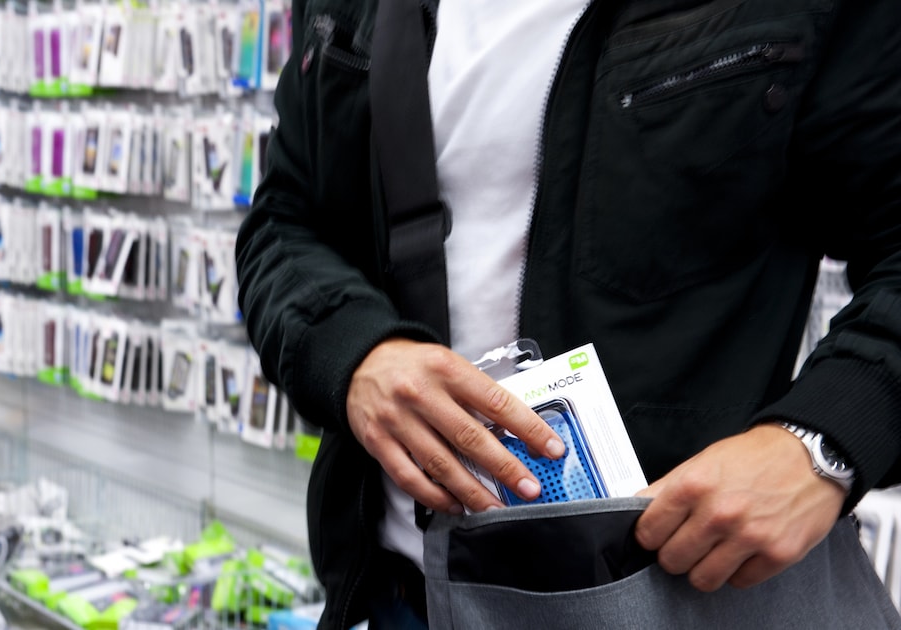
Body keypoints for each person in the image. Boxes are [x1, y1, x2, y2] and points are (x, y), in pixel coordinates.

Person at [235, 0, 901, 627]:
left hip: (677, 595)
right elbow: (285, 217)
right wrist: (356, 355)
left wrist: (821, 446)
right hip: (407, 592)